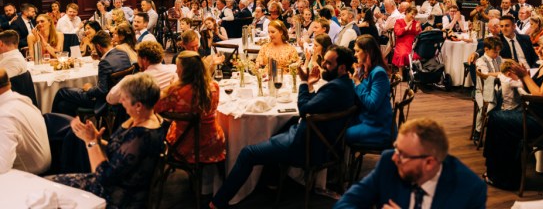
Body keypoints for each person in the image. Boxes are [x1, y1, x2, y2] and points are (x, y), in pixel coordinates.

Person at [210, 45, 356, 209]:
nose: (323, 67)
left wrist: (303, 83)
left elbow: (304, 108)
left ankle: (217, 202)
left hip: (308, 145)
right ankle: (272, 180)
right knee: (279, 128)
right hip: (321, 140)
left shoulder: (334, 88)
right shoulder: (346, 85)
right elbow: (317, 103)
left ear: (342, 67)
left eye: (329, 64)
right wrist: (310, 86)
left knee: (247, 153)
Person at [49, 73, 166, 208]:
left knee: (50, 188)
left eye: (125, 98)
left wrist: (91, 142)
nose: (121, 101)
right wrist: (98, 140)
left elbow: (103, 178)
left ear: (138, 106)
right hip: (116, 181)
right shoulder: (144, 118)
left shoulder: (141, 135)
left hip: (118, 197)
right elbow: (120, 151)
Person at [483, 32, 543, 189]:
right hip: (536, 116)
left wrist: (525, 76)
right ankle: (498, 172)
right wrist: (522, 76)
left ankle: (505, 178)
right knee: (496, 117)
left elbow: (541, 95)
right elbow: (533, 90)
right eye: (539, 47)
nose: (538, 51)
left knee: (498, 120)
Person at [335, 118, 487, 209]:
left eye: (402, 154)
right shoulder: (389, 164)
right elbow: (345, 203)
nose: (395, 158)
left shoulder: (470, 189)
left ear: (429, 163)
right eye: (396, 149)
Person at [154, 50, 226, 164]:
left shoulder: (177, 91)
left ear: (184, 71)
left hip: (185, 146)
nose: (176, 71)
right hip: (213, 142)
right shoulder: (214, 87)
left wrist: (171, 86)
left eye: (178, 68)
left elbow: (155, 107)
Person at [52, 32, 131, 116]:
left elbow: (101, 90)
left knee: (61, 91)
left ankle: (51, 123)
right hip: (122, 96)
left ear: (98, 47)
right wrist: (101, 58)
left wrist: (89, 89)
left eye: (95, 48)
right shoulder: (123, 54)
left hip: (103, 101)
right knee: (63, 105)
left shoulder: (105, 63)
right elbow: (112, 65)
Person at [0, 69, 51, 175]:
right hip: (44, 167)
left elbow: (2, 167)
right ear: (9, 83)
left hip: (29, 178)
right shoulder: (23, 100)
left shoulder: (4, 116)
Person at [346, 34, 392, 145]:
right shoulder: (366, 68)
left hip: (377, 126)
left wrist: (356, 82)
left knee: (341, 132)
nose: (355, 54)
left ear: (367, 52)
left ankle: (343, 161)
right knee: (337, 125)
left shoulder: (378, 73)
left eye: (357, 51)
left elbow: (372, 104)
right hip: (365, 118)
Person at [107, 41, 177, 104]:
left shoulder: (136, 79)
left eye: (138, 57)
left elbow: (111, 98)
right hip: (171, 112)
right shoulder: (175, 69)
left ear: (144, 59)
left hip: (146, 114)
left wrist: (125, 81)